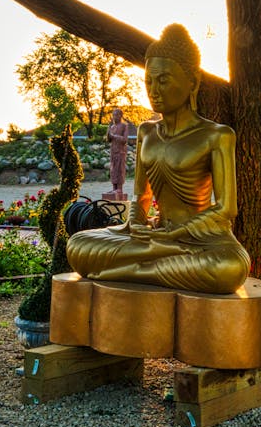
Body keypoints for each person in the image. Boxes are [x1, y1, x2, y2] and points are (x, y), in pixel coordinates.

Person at [67, 24, 250, 294]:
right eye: (149, 81)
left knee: (230, 268)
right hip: (155, 235)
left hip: (200, 241)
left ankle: (131, 270)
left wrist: (172, 235)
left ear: (192, 82)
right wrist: (138, 225)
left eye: (163, 80)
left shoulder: (217, 135)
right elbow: (141, 195)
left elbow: (225, 209)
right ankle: (147, 264)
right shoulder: (146, 131)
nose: (154, 90)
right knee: (79, 245)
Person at [106, 108, 129, 197]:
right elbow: (109, 140)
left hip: (120, 151)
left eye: (116, 115)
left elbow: (125, 140)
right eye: (113, 115)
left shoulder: (124, 126)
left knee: (120, 169)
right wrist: (108, 134)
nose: (114, 117)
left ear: (120, 116)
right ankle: (114, 188)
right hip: (113, 151)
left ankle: (119, 188)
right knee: (113, 170)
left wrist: (114, 136)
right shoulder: (112, 127)